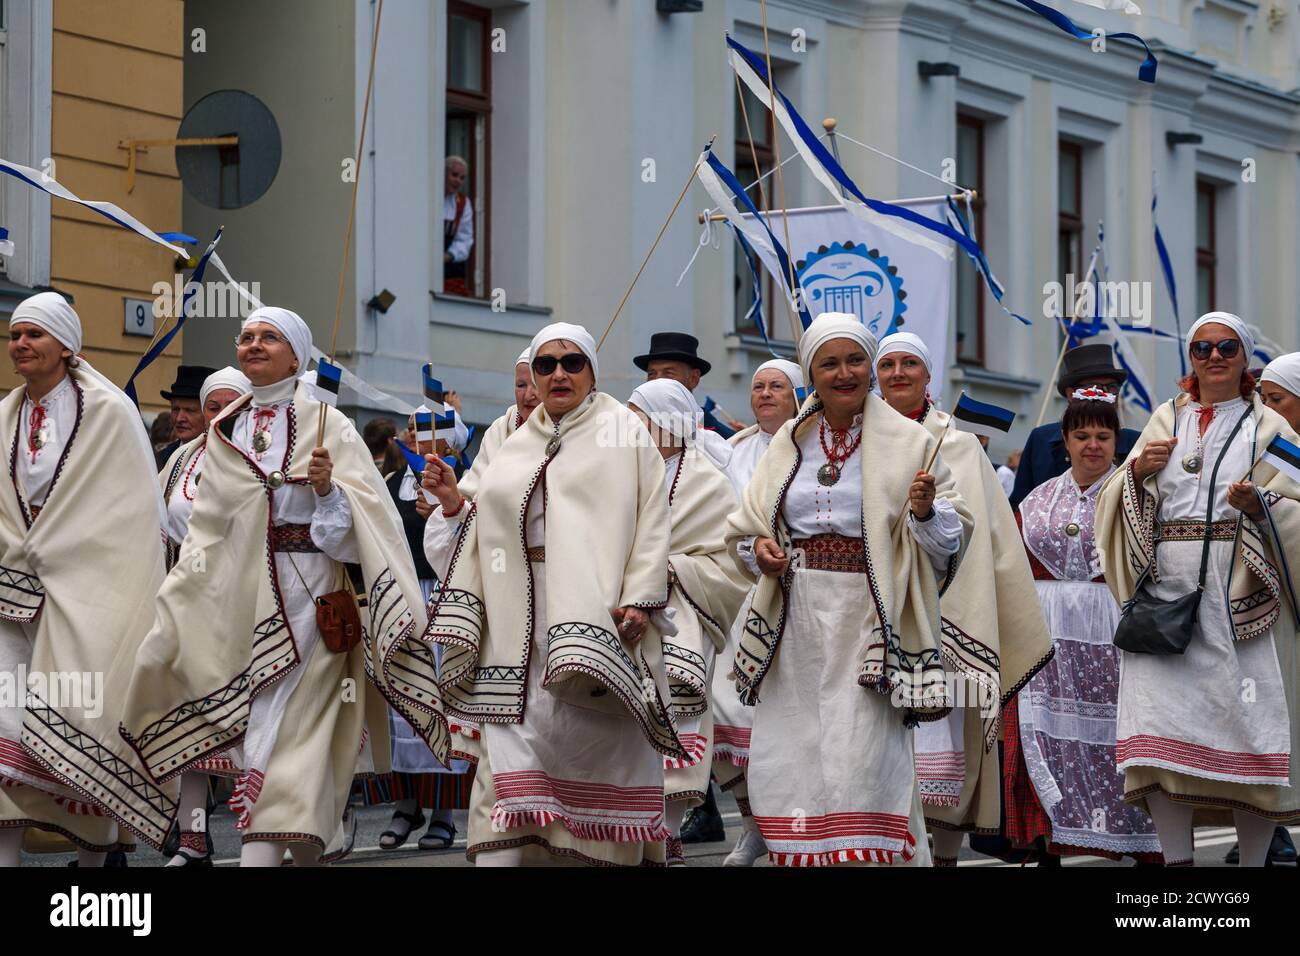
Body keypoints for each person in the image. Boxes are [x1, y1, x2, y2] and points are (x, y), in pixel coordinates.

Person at [64, 306, 451, 867]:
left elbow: (363, 537)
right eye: (246, 337)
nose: (254, 345)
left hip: (314, 607)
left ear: (297, 354)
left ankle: (271, 847)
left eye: (269, 338)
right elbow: (208, 531)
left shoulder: (330, 423)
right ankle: (250, 843)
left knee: (296, 746)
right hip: (240, 605)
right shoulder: (225, 430)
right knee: (248, 734)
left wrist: (325, 493)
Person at [424, 322, 685, 866]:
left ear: (592, 372)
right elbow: (473, 530)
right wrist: (453, 503)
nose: (558, 373)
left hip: (597, 621)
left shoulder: (624, 432)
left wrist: (640, 599)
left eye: (572, 363)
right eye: (546, 365)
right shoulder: (514, 440)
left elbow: (651, 524)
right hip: (515, 627)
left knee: (594, 758)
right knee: (511, 773)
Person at [725, 313, 972, 866]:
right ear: (811, 373)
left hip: (870, 616)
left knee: (863, 754)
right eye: (829, 363)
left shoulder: (913, 442)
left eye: (855, 360)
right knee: (794, 752)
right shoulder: (788, 443)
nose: (844, 373)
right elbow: (747, 529)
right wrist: (760, 552)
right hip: (795, 619)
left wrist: (927, 512)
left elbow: (950, 544)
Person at [1096, 311, 1300, 867]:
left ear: (1244, 357)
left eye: (1227, 347)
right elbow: (1113, 501)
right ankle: (1177, 867)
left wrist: (1262, 508)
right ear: (1190, 358)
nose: (1214, 357)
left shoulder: (1272, 430)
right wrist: (1136, 475)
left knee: (1250, 733)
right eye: (1202, 348)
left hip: (1240, 590)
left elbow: (1299, 505)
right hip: (1166, 595)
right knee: (1157, 734)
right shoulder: (1166, 418)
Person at [0, 292, 166, 867]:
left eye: (34, 334)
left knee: (81, 722)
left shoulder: (110, 412)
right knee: (7, 727)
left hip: (90, 589)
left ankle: (95, 869)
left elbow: (129, 513)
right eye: (16, 333)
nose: (20, 343)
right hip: (12, 592)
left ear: (67, 346)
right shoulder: (5, 414)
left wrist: (60, 545)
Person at [874, 331, 1052, 865]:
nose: (898, 373)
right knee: (878, 745)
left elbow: (986, 540)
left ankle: (944, 858)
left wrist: (929, 518)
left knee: (944, 752)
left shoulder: (957, 444)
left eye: (910, 364)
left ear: (929, 375)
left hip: (947, 620)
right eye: (888, 365)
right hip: (874, 617)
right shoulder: (861, 437)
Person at [1003, 389, 1162, 864]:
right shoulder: (1038, 498)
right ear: (1066, 443)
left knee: (1120, 735)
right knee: (1047, 733)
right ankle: (1050, 843)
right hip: (1046, 632)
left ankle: (1139, 842)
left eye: (1103, 435)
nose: (1092, 445)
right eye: (1082, 435)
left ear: (1117, 442)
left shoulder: (1137, 495)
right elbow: (1012, 561)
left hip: (1110, 630)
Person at [626, 378, 750, 866]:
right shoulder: (625, 473)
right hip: (629, 617)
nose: (631, 431)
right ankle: (640, 831)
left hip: (685, 616)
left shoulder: (707, 482)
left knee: (678, 723)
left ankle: (670, 832)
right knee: (632, 726)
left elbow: (727, 562)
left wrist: (674, 567)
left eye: (639, 422)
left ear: (667, 423)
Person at [362, 407, 476, 852]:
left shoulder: (462, 481)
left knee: (440, 701)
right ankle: (406, 804)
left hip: (445, 597)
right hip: (404, 596)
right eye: (411, 428)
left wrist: (448, 513)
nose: (413, 435)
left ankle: (443, 814)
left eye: (426, 430)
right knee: (401, 699)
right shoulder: (392, 483)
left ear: (448, 443)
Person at [704, 357, 803, 863]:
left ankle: (796, 825)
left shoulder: (810, 444)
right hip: (741, 600)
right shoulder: (733, 451)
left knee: (786, 720)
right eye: (759, 387)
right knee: (725, 714)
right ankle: (752, 824)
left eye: (777, 387)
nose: (764, 394)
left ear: (797, 395)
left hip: (800, 599)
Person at [152, 366, 252, 865]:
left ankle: (279, 830)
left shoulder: (262, 460)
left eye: (233, 407)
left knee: (259, 731)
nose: (221, 416)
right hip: (187, 605)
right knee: (191, 728)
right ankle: (193, 841)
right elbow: (156, 527)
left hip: (251, 609)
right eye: (213, 407)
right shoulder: (180, 461)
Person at [1010, 344, 1140, 508]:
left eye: (1112, 387)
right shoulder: (1041, 439)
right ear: (1071, 394)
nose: (1106, 394)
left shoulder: (1136, 443)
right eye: (1096, 388)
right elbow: (1019, 504)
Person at [634, 331, 733, 471]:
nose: (657, 381)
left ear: (693, 379)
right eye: (652, 374)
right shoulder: (634, 432)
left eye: (668, 373)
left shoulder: (726, 440)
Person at [154, 364, 217, 470]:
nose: (179, 418)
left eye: (190, 410)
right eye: (175, 409)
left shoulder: (224, 459)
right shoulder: (161, 459)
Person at [443, 156, 474, 296]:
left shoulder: (462, 203)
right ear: (443, 172)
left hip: (449, 273)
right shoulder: (428, 195)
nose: (458, 181)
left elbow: (465, 239)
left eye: (462, 178)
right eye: (454, 175)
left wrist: (449, 255)